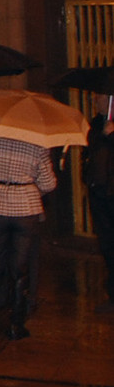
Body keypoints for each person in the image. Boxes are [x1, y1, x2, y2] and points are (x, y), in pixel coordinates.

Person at [0, 128, 58, 339]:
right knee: (20, 267)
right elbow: (49, 183)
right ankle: (16, 323)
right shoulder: (37, 143)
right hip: (27, 210)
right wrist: (31, 190)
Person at [85, 102, 114, 314]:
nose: (98, 102)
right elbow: (90, 147)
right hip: (100, 192)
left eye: (103, 97)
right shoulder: (96, 123)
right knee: (107, 245)